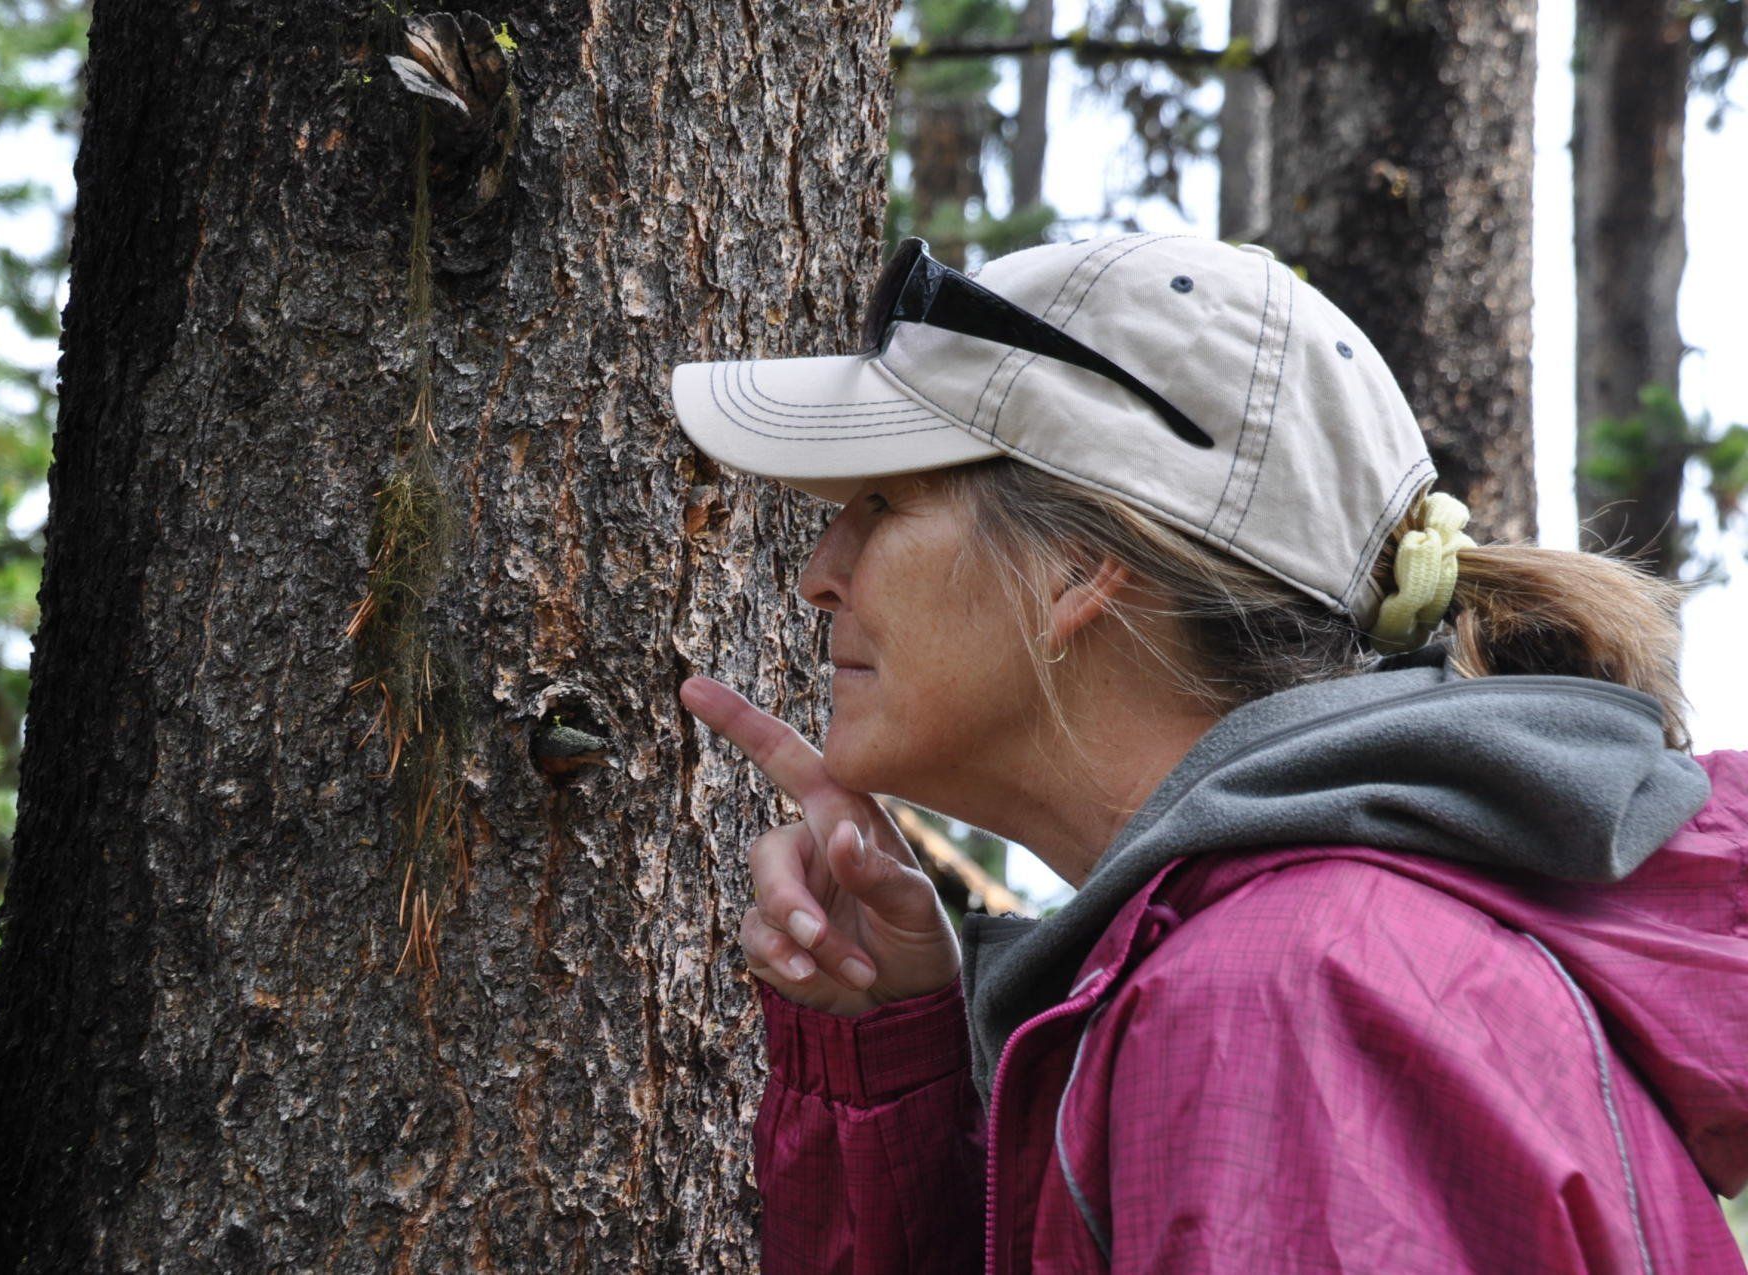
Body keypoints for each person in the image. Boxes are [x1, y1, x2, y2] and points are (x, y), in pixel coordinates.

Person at [668, 233, 1748, 1273]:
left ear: (1079, 564)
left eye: (883, 502)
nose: (819, 572)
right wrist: (891, 1060)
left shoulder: (1282, 1002)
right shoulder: (1321, 962)